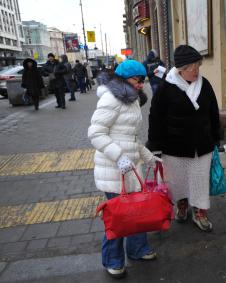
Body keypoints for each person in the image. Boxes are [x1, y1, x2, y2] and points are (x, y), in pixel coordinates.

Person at [88, 60, 162, 279]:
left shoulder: (130, 100)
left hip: (131, 167)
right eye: (137, 80)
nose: (140, 85)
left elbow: (132, 137)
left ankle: (138, 249)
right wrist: (119, 157)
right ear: (123, 79)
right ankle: (113, 260)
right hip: (113, 169)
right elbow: (96, 133)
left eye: (142, 80)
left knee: (136, 212)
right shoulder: (112, 99)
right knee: (119, 217)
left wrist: (149, 158)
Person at [147, 45, 220, 232]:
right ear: (180, 70)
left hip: (201, 145)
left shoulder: (205, 85)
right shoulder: (166, 87)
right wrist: (154, 145)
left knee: (199, 181)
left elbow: (213, 113)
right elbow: (155, 117)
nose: (196, 71)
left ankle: (200, 212)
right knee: (178, 181)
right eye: (191, 67)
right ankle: (182, 205)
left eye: (198, 66)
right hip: (174, 147)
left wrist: (215, 139)